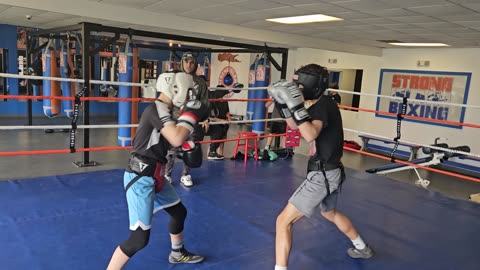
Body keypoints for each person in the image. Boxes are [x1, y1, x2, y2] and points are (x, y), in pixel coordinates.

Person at [268, 64, 373, 270]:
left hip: (323, 175)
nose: (296, 88)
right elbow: (293, 126)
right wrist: (282, 104)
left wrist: (294, 105)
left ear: (311, 85)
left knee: (283, 221)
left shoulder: (325, 105)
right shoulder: (317, 105)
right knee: (329, 213)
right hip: (330, 171)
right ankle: (362, 247)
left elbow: (309, 134)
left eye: (299, 84)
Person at [106, 72, 209, 270]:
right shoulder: (156, 108)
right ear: (176, 89)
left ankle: (177, 254)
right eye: (187, 91)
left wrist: (191, 145)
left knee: (179, 212)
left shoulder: (170, 114)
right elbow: (177, 138)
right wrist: (191, 116)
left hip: (157, 175)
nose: (189, 96)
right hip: (141, 177)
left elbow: (183, 146)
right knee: (138, 239)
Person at [164, 52, 209, 187]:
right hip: (175, 119)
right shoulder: (174, 79)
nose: (189, 65)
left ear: (195, 65)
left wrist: (206, 119)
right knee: (171, 149)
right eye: (186, 62)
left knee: (190, 148)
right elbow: (168, 98)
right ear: (182, 63)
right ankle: (167, 174)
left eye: (192, 63)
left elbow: (204, 102)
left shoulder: (200, 83)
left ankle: (185, 174)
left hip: (192, 121)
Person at [206, 85, 231, 160]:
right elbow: (210, 117)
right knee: (214, 141)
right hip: (215, 124)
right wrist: (221, 121)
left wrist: (229, 118)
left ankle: (220, 156)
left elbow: (227, 112)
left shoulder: (225, 102)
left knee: (222, 142)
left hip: (224, 124)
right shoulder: (212, 102)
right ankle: (209, 157)